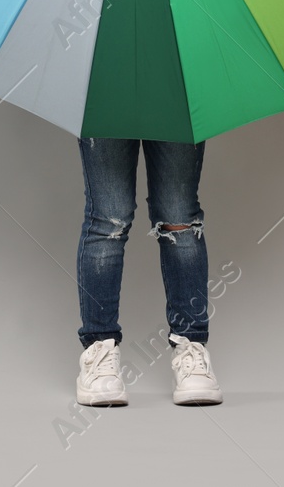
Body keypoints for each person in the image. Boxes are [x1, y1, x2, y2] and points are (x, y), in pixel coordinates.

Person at [73, 137, 222, 406]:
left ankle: (190, 348)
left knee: (180, 218)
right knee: (108, 219)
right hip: (107, 98)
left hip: (172, 97)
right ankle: (99, 350)